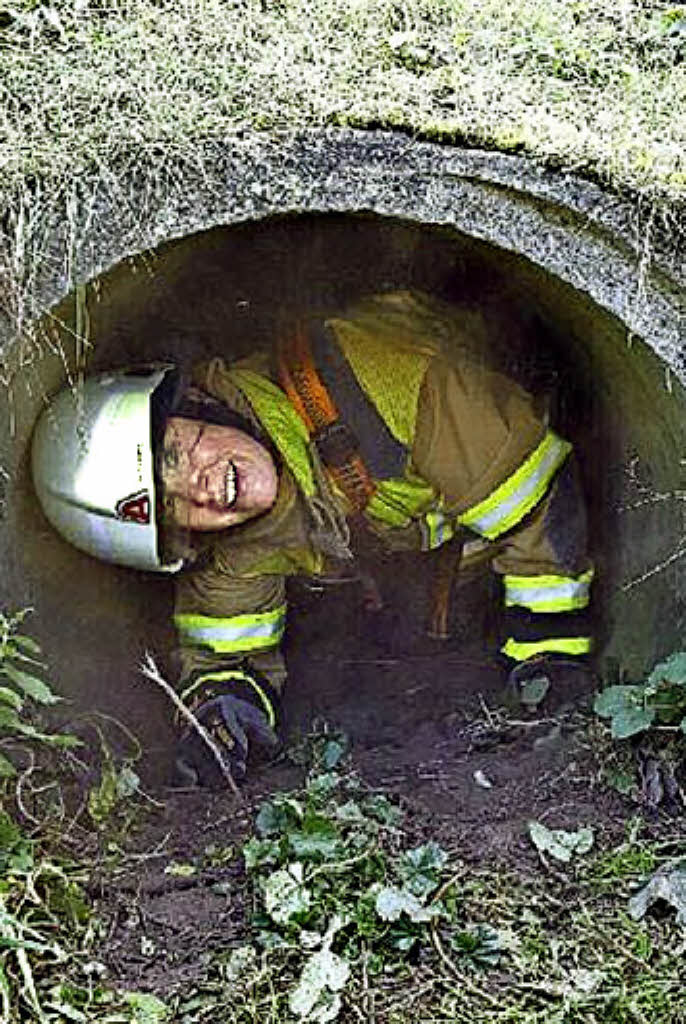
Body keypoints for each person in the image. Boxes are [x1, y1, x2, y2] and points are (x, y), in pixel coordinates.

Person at [32, 291, 594, 786]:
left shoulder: (384, 386)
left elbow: (534, 496)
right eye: (173, 510)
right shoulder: (232, 546)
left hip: (512, 389)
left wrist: (549, 654)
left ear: (194, 402)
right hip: (435, 537)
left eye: (176, 453)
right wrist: (224, 713)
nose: (199, 488)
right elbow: (225, 650)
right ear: (180, 542)